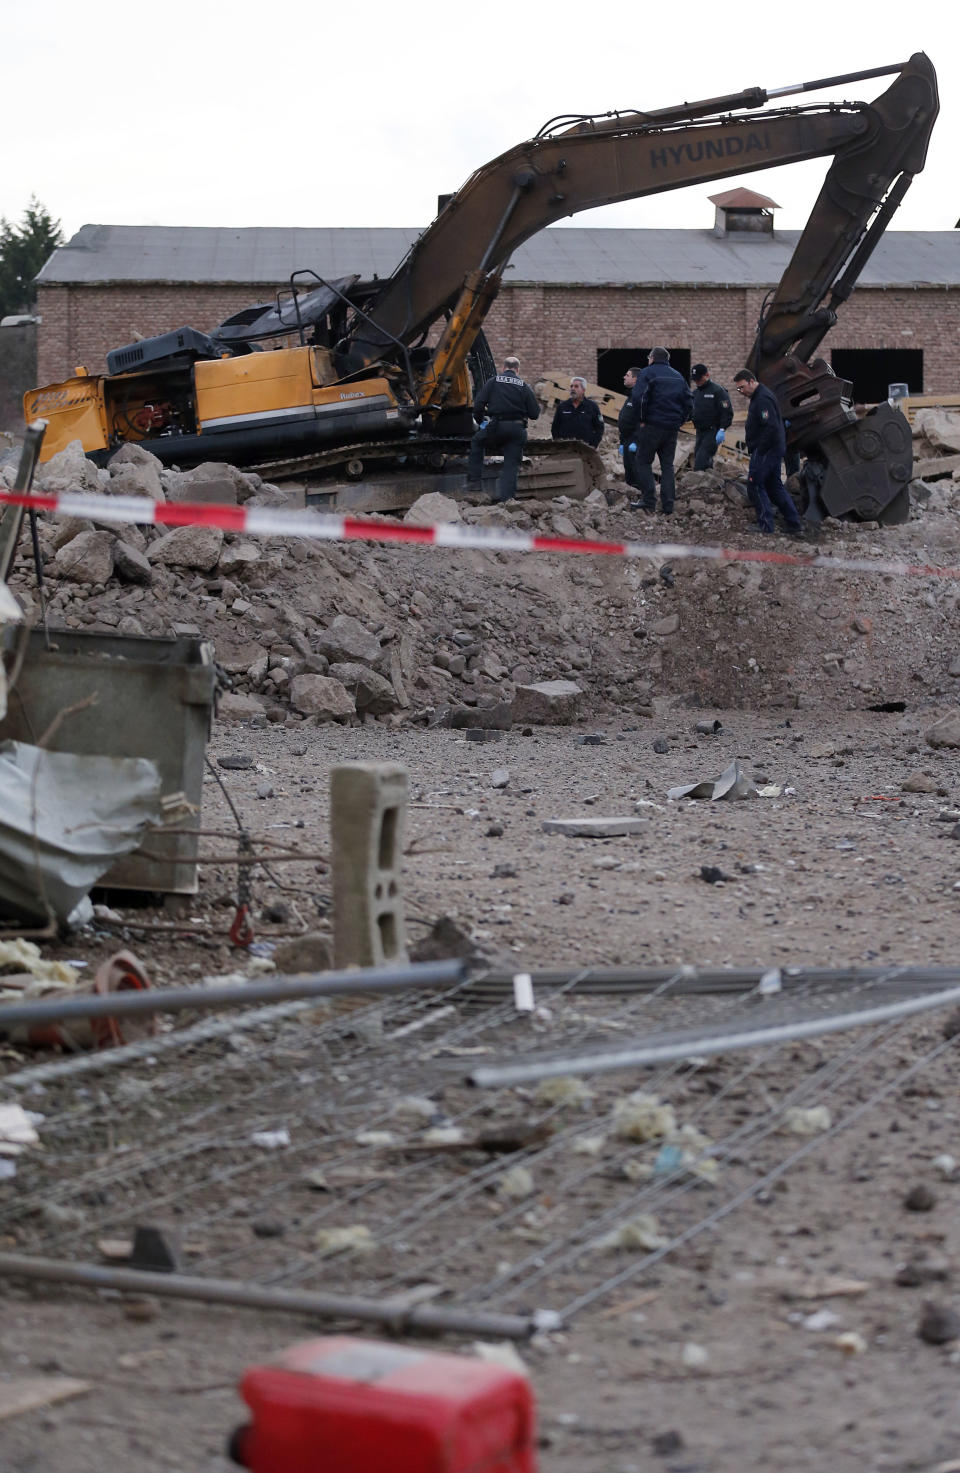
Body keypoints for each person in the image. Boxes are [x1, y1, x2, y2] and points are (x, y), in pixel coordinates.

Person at [621, 347, 693, 515]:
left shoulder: (647, 373)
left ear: (652, 358)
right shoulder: (678, 376)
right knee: (667, 466)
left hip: (652, 426)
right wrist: (681, 420)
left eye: (649, 358)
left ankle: (649, 501)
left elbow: (640, 398)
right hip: (671, 429)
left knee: (643, 461)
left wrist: (642, 420)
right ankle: (668, 506)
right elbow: (689, 402)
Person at [732, 369, 803, 538]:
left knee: (754, 485)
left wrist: (760, 449)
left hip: (767, 449)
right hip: (771, 448)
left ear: (751, 381)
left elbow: (770, 427)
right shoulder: (759, 397)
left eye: (742, 387)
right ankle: (794, 523)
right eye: (738, 389)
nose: (741, 392)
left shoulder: (762, 398)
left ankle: (766, 525)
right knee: (774, 486)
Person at [466, 355, 540, 502]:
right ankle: (507, 500)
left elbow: (478, 406)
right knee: (511, 465)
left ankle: (474, 483)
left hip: (495, 427)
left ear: (503, 368)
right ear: (517, 370)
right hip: (517, 430)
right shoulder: (524, 386)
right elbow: (535, 414)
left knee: (477, 442)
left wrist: (482, 425)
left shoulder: (493, 382)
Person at [690, 363, 733, 471]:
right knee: (701, 458)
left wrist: (722, 429)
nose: (697, 382)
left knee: (700, 462)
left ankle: (698, 485)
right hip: (700, 432)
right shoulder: (695, 393)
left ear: (707, 375)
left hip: (713, 432)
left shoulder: (718, 391)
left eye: (699, 379)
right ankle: (708, 485)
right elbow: (691, 412)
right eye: (695, 380)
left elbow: (727, 412)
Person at [550, 376, 604, 448]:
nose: (572, 388)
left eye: (576, 386)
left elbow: (599, 428)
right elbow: (555, 428)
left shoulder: (593, 407)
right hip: (565, 449)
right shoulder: (562, 406)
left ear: (583, 390)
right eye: (571, 386)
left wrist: (593, 445)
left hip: (585, 450)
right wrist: (559, 443)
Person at [618, 366, 644, 491]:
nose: (624, 377)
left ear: (636, 379)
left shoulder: (641, 397)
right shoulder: (631, 396)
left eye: (627, 375)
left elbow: (644, 421)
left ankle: (642, 495)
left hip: (636, 441)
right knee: (628, 469)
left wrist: (637, 441)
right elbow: (625, 420)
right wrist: (622, 441)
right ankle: (631, 496)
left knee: (637, 470)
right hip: (627, 440)